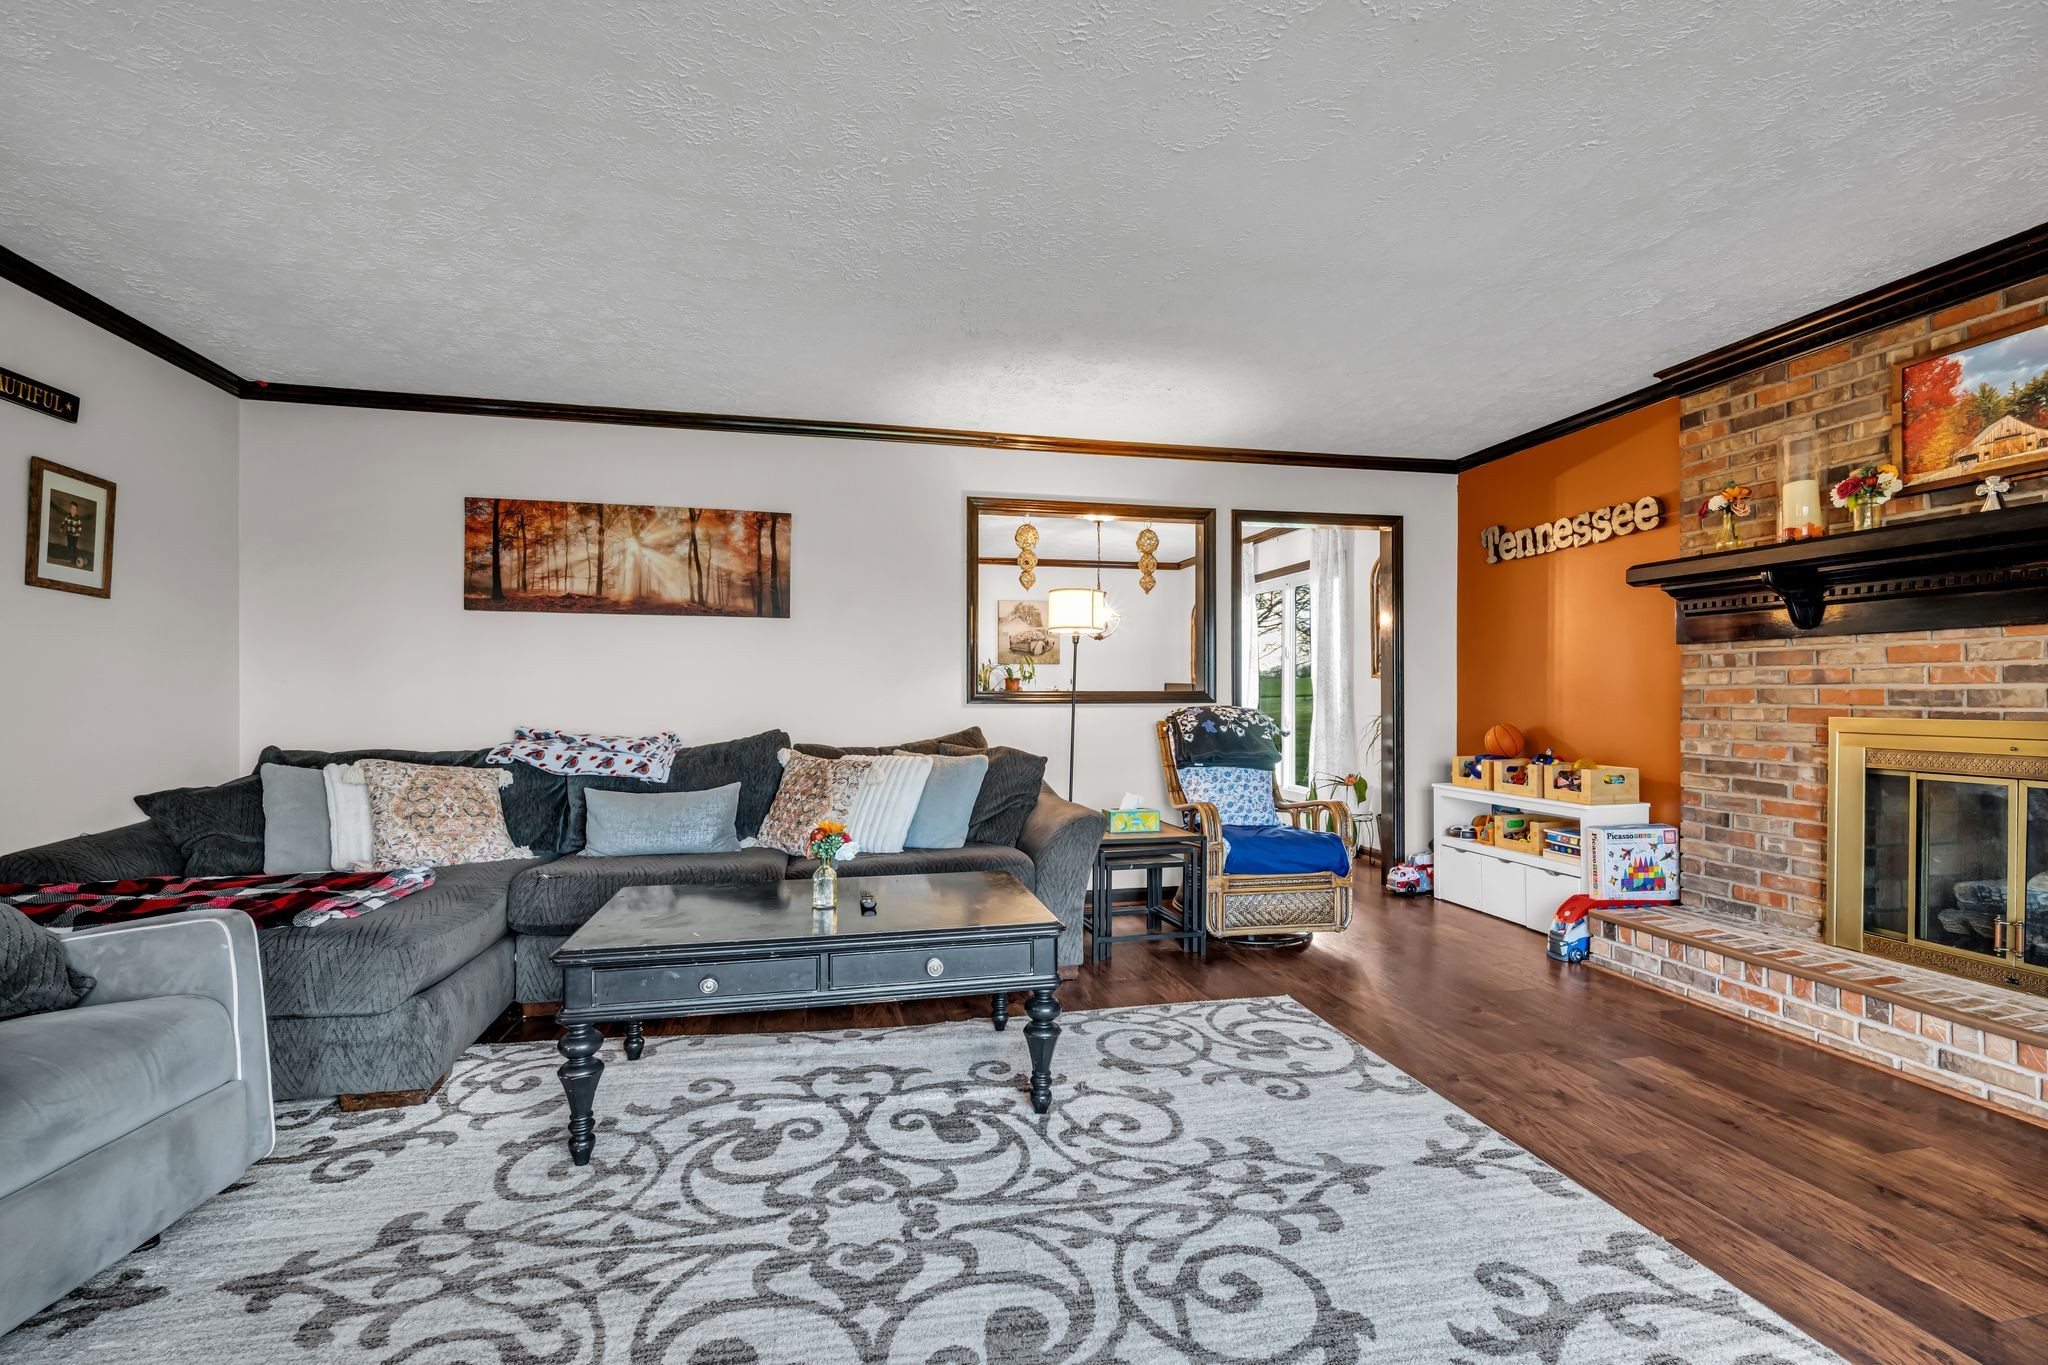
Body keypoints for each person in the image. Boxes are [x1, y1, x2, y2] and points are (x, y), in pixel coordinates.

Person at [56, 498, 88, 567]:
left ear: (77, 510)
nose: (73, 510)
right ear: (70, 509)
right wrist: (61, 527)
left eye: (75, 509)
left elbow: (80, 527)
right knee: (69, 545)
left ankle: (74, 558)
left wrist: (78, 531)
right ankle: (69, 557)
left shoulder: (78, 518)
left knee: (74, 546)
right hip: (69, 534)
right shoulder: (68, 516)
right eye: (72, 509)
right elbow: (64, 522)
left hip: (75, 535)